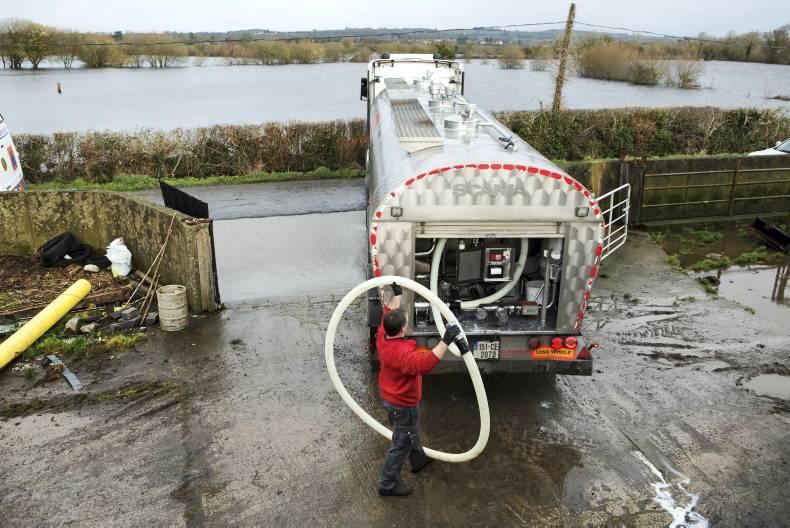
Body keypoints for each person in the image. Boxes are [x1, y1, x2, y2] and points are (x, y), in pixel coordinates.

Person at [376, 282, 468, 497]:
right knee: (401, 443)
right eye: (406, 322)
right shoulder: (402, 354)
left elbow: (388, 312)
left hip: (391, 398)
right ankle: (387, 484)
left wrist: (397, 295)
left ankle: (418, 460)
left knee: (408, 431)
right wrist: (446, 340)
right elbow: (424, 364)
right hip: (403, 404)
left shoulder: (383, 335)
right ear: (402, 329)